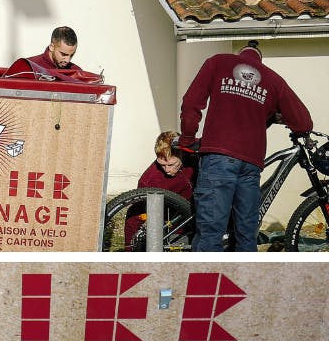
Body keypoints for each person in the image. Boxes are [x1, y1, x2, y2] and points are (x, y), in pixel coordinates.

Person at [179, 40, 312, 252]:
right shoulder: (274, 80)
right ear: (259, 59)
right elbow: (303, 122)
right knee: (247, 233)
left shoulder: (218, 62)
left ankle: (206, 283)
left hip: (217, 157)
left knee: (211, 232)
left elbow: (191, 102)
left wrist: (187, 138)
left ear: (240, 54)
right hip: (251, 164)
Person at [123, 131, 195, 250]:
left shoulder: (193, 160)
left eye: (171, 164)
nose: (167, 170)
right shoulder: (149, 180)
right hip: (174, 232)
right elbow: (135, 215)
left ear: (181, 154)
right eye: (162, 164)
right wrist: (129, 250)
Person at [25, 26, 102, 82]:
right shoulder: (28, 67)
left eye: (71, 55)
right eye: (63, 54)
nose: (67, 60)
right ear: (52, 47)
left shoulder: (76, 72)